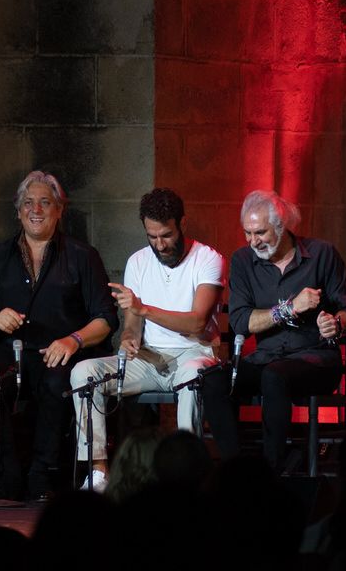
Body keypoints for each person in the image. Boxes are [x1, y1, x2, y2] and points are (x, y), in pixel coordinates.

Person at [0, 170, 117, 500]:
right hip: (10, 351)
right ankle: (5, 475)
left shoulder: (82, 256)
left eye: (45, 202)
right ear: (18, 211)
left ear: (59, 209)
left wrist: (73, 340)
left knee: (55, 382)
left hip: (61, 350)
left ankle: (42, 476)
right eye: (28, 203)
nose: (36, 209)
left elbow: (105, 319)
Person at [69, 188, 225, 492]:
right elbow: (132, 325)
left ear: (182, 223)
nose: (160, 244)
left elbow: (196, 323)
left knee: (193, 376)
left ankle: (187, 474)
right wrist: (129, 338)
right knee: (83, 373)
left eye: (166, 235)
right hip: (150, 359)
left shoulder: (207, 259)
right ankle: (99, 471)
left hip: (194, 352)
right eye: (152, 236)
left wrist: (145, 309)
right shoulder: (138, 261)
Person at [202, 190, 346, 471]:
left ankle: (274, 473)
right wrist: (290, 308)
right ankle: (237, 471)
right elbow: (240, 322)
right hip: (266, 357)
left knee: (275, 377)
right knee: (213, 381)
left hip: (315, 358)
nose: (252, 241)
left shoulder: (322, 254)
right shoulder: (243, 261)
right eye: (247, 233)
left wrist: (335, 323)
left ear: (281, 226)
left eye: (259, 232)